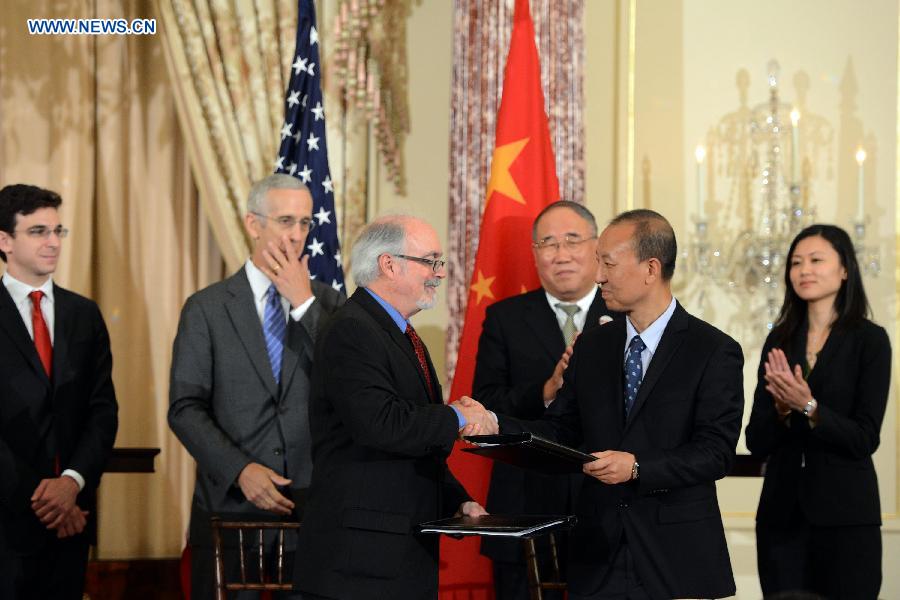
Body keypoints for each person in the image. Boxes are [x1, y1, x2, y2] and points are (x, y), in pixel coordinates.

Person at [498, 209, 743, 599]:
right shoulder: (592, 345)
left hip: (675, 555)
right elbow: (561, 429)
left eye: (608, 263)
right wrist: (496, 426)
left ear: (650, 268)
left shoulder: (713, 350)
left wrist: (638, 468)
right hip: (598, 554)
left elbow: (715, 453)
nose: (598, 276)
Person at [294, 215, 497, 600]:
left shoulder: (400, 334)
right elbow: (381, 424)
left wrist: (457, 500)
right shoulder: (352, 329)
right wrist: (457, 416)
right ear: (389, 264)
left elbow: (412, 446)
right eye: (431, 261)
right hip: (360, 565)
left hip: (397, 556)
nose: (439, 273)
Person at [168, 174, 345, 599]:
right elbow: (185, 407)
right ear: (253, 223)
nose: (298, 235)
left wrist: (304, 305)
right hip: (230, 508)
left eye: (305, 224)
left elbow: (349, 383)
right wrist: (240, 469)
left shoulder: (330, 304)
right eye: (286, 221)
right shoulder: (206, 308)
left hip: (311, 509)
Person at [473, 200, 616, 599]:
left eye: (573, 240)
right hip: (524, 501)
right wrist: (545, 391)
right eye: (548, 244)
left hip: (605, 501)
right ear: (535, 254)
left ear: (596, 247)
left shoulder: (625, 313)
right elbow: (485, 403)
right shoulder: (505, 317)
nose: (561, 254)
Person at [746, 224, 890, 600]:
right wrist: (780, 410)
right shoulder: (779, 340)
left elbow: (864, 438)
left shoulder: (870, 340)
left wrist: (808, 407)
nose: (803, 270)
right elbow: (756, 441)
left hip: (846, 518)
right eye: (796, 262)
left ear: (845, 270)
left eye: (815, 260)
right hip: (781, 518)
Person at [0, 184, 119, 600]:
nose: (53, 242)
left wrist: (71, 484)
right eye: (37, 231)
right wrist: (46, 503)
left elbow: (102, 411)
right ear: (5, 241)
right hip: (8, 523)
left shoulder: (84, 315)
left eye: (58, 231)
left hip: (73, 519)